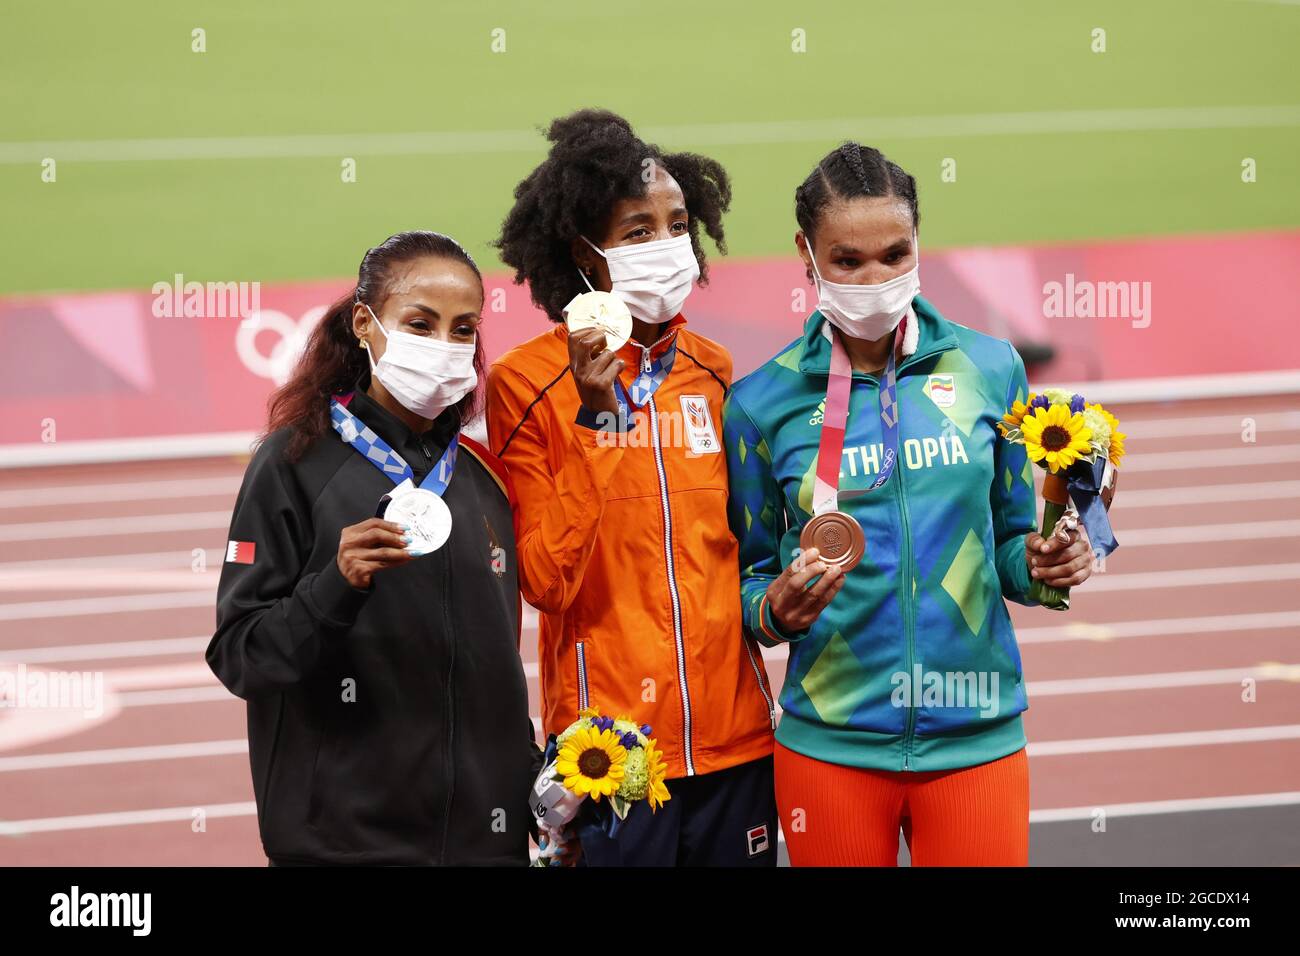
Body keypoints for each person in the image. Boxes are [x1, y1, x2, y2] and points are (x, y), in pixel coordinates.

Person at [723, 143, 1096, 866]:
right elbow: (743, 582)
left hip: (977, 735)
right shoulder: (761, 405)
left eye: (896, 254)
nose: (876, 278)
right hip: (830, 746)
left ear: (919, 241)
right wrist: (773, 611)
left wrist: (1051, 560)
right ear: (805, 253)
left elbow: (1016, 547)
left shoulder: (991, 369)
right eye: (849, 260)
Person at [487, 109, 777, 866]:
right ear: (585, 254)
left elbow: (743, 552)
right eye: (638, 231)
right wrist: (597, 420)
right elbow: (546, 581)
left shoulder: (714, 370)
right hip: (610, 759)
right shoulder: (525, 384)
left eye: (678, 225)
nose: (668, 246)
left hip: (732, 743)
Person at [208, 230, 540, 866]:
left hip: (484, 845)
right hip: (344, 846)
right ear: (365, 322)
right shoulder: (293, 463)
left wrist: (532, 787)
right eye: (420, 323)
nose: (444, 346)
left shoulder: (483, 477)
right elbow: (242, 658)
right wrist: (334, 584)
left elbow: (492, 667)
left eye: (463, 329)